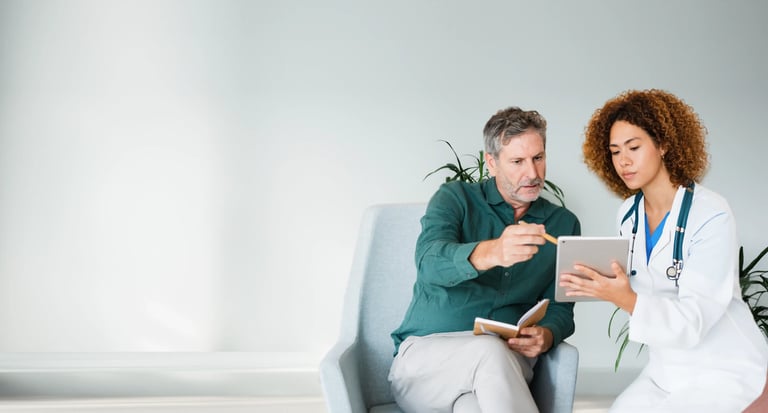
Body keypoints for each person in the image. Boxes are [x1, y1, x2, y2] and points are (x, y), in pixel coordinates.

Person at [562, 89, 768, 412]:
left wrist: (625, 298)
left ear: (663, 144)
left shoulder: (710, 213)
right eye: (615, 151)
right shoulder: (628, 214)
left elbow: (694, 319)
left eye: (634, 147)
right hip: (666, 371)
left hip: (721, 369)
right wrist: (602, 284)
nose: (623, 161)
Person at [388, 106, 581, 413]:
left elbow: (560, 307)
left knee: (473, 407)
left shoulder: (562, 224)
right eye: (517, 161)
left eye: (538, 158)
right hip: (426, 363)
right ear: (491, 162)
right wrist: (493, 252)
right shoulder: (455, 198)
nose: (532, 173)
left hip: (505, 368)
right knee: (488, 351)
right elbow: (429, 262)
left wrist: (547, 334)